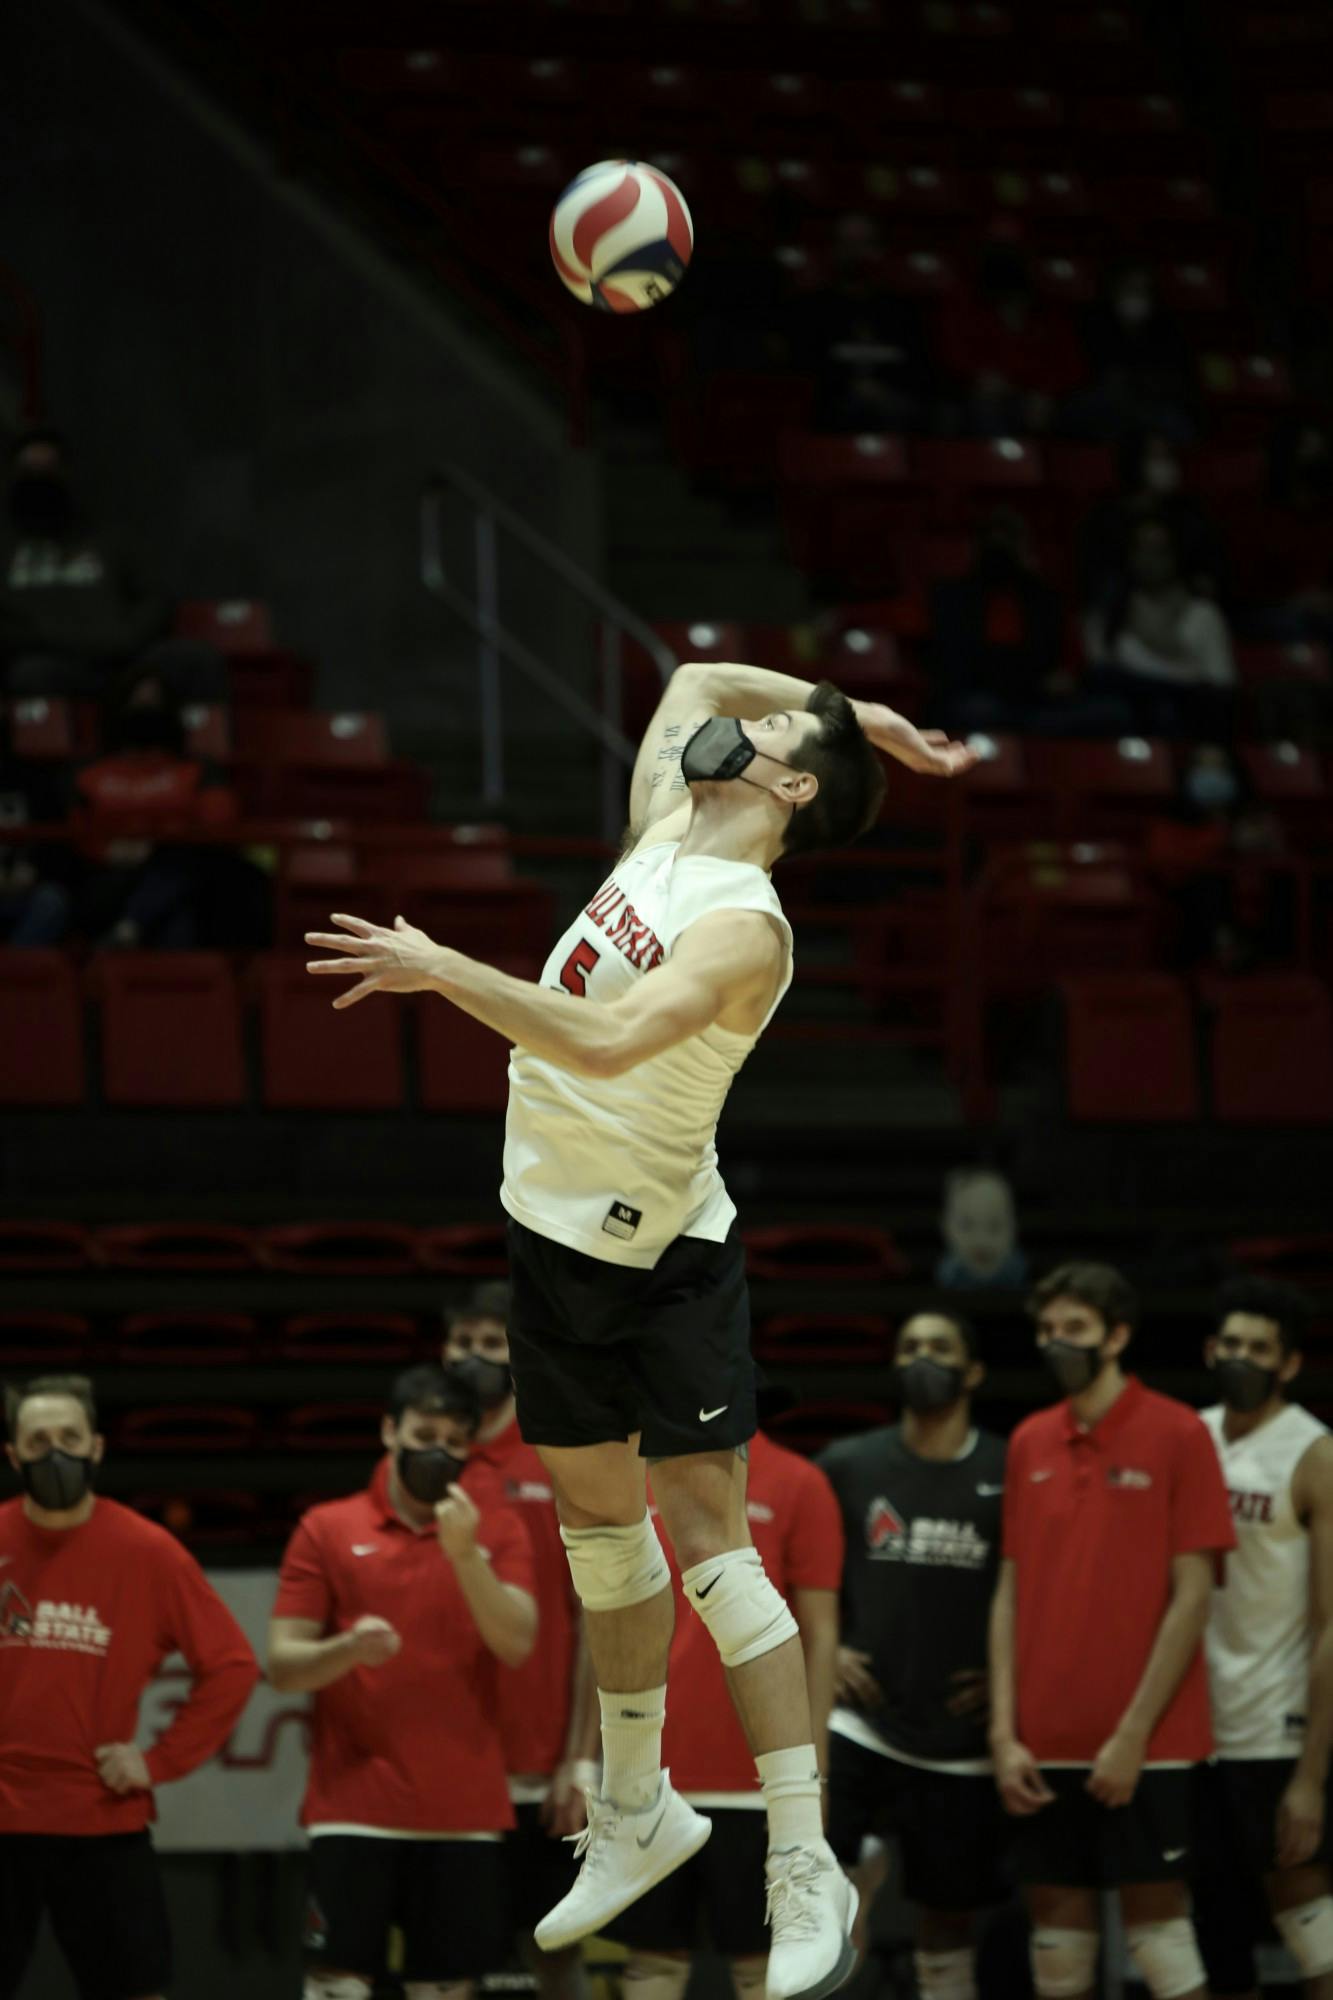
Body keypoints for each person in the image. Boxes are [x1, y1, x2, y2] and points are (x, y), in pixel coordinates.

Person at [305, 659, 977, 2000]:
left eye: (781, 730)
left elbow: (604, 1045)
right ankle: (635, 1807)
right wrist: (863, 719)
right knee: (605, 1544)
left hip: (665, 1253)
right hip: (551, 1241)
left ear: (784, 787)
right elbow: (692, 671)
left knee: (714, 1552)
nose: (751, 715)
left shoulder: (747, 928)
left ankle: (801, 1856)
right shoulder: (667, 818)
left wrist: (441, 966)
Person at [989, 1263, 1236, 2000]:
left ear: (1116, 1334)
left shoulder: (1180, 1433)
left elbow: (1192, 1596)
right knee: (1056, 1946)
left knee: (1160, 1938)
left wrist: (1132, 1736)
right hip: (1041, 1744)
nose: (1055, 1342)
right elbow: (1008, 1594)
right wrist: (1004, 1735)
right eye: (1046, 1330)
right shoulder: (1029, 1440)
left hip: (1150, 1745)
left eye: (1073, 1329)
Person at [267, 1363, 538, 2000]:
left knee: (445, 1988)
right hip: (353, 1809)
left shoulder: (496, 1530)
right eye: (423, 1433)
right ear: (390, 1431)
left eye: (452, 1439)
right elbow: (282, 1665)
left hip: (463, 1812)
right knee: (337, 1984)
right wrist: (348, 1649)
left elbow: (517, 1643)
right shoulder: (327, 1528)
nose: (436, 1450)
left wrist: (465, 1553)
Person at [0, 1373, 259, 2000]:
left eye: (69, 1437)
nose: (54, 1452)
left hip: (101, 1821)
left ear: (96, 1448)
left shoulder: (148, 1552)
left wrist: (158, 1760)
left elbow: (231, 1666)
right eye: (38, 1441)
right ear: (13, 1456)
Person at [818, 1311, 1010, 2000]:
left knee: (948, 1922)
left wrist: (1007, 1680)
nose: (921, 1357)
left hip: (960, 1737)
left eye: (939, 1347)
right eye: (908, 1347)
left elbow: (1036, 1590)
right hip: (857, 1723)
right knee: (816, 1904)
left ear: (974, 1372)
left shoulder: (1007, 1469)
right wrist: (827, 1648)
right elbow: (783, 1569)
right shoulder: (847, 1465)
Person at [612, 1429, 842, 2000]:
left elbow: (819, 1636)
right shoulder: (626, 1474)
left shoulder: (799, 1482)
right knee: (649, 1965)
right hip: (652, 1778)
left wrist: (812, 1779)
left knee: (761, 1969)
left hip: (755, 1781)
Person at [442, 1283, 598, 2000]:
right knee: (444, 1968)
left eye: (490, 1343)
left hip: (540, 1771)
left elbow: (595, 1617)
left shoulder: (555, 1460)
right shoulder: (422, 1460)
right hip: (443, 1769)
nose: (472, 1357)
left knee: (556, 1955)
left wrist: (581, 1757)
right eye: (461, 1343)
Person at [1194, 1277, 1333, 2000]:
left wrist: (1311, 1773)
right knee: (1214, 1940)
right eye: (1231, 1344)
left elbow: (1330, 1620)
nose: (1241, 1358)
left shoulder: (1312, 1452)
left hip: (1274, 1725)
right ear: (1209, 1349)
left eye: (1259, 1349)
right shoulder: (1191, 1435)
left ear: (1287, 1364)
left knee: (1312, 1930)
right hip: (1192, 1727)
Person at [1084, 516, 1236, 740]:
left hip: (1183, 721)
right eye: (1141, 549)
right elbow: (1099, 669)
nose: (1149, 560)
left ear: (1176, 556)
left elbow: (1221, 688)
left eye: (1159, 551)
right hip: (1124, 721)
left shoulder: (1203, 615)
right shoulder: (1112, 611)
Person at [935, 1169, 1028, 1291]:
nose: (981, 1240)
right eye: (966, 1225)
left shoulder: (1020, 1272)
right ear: (945, 1225)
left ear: (1015, 1226)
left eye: (995, 1226)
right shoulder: (946, 1272)